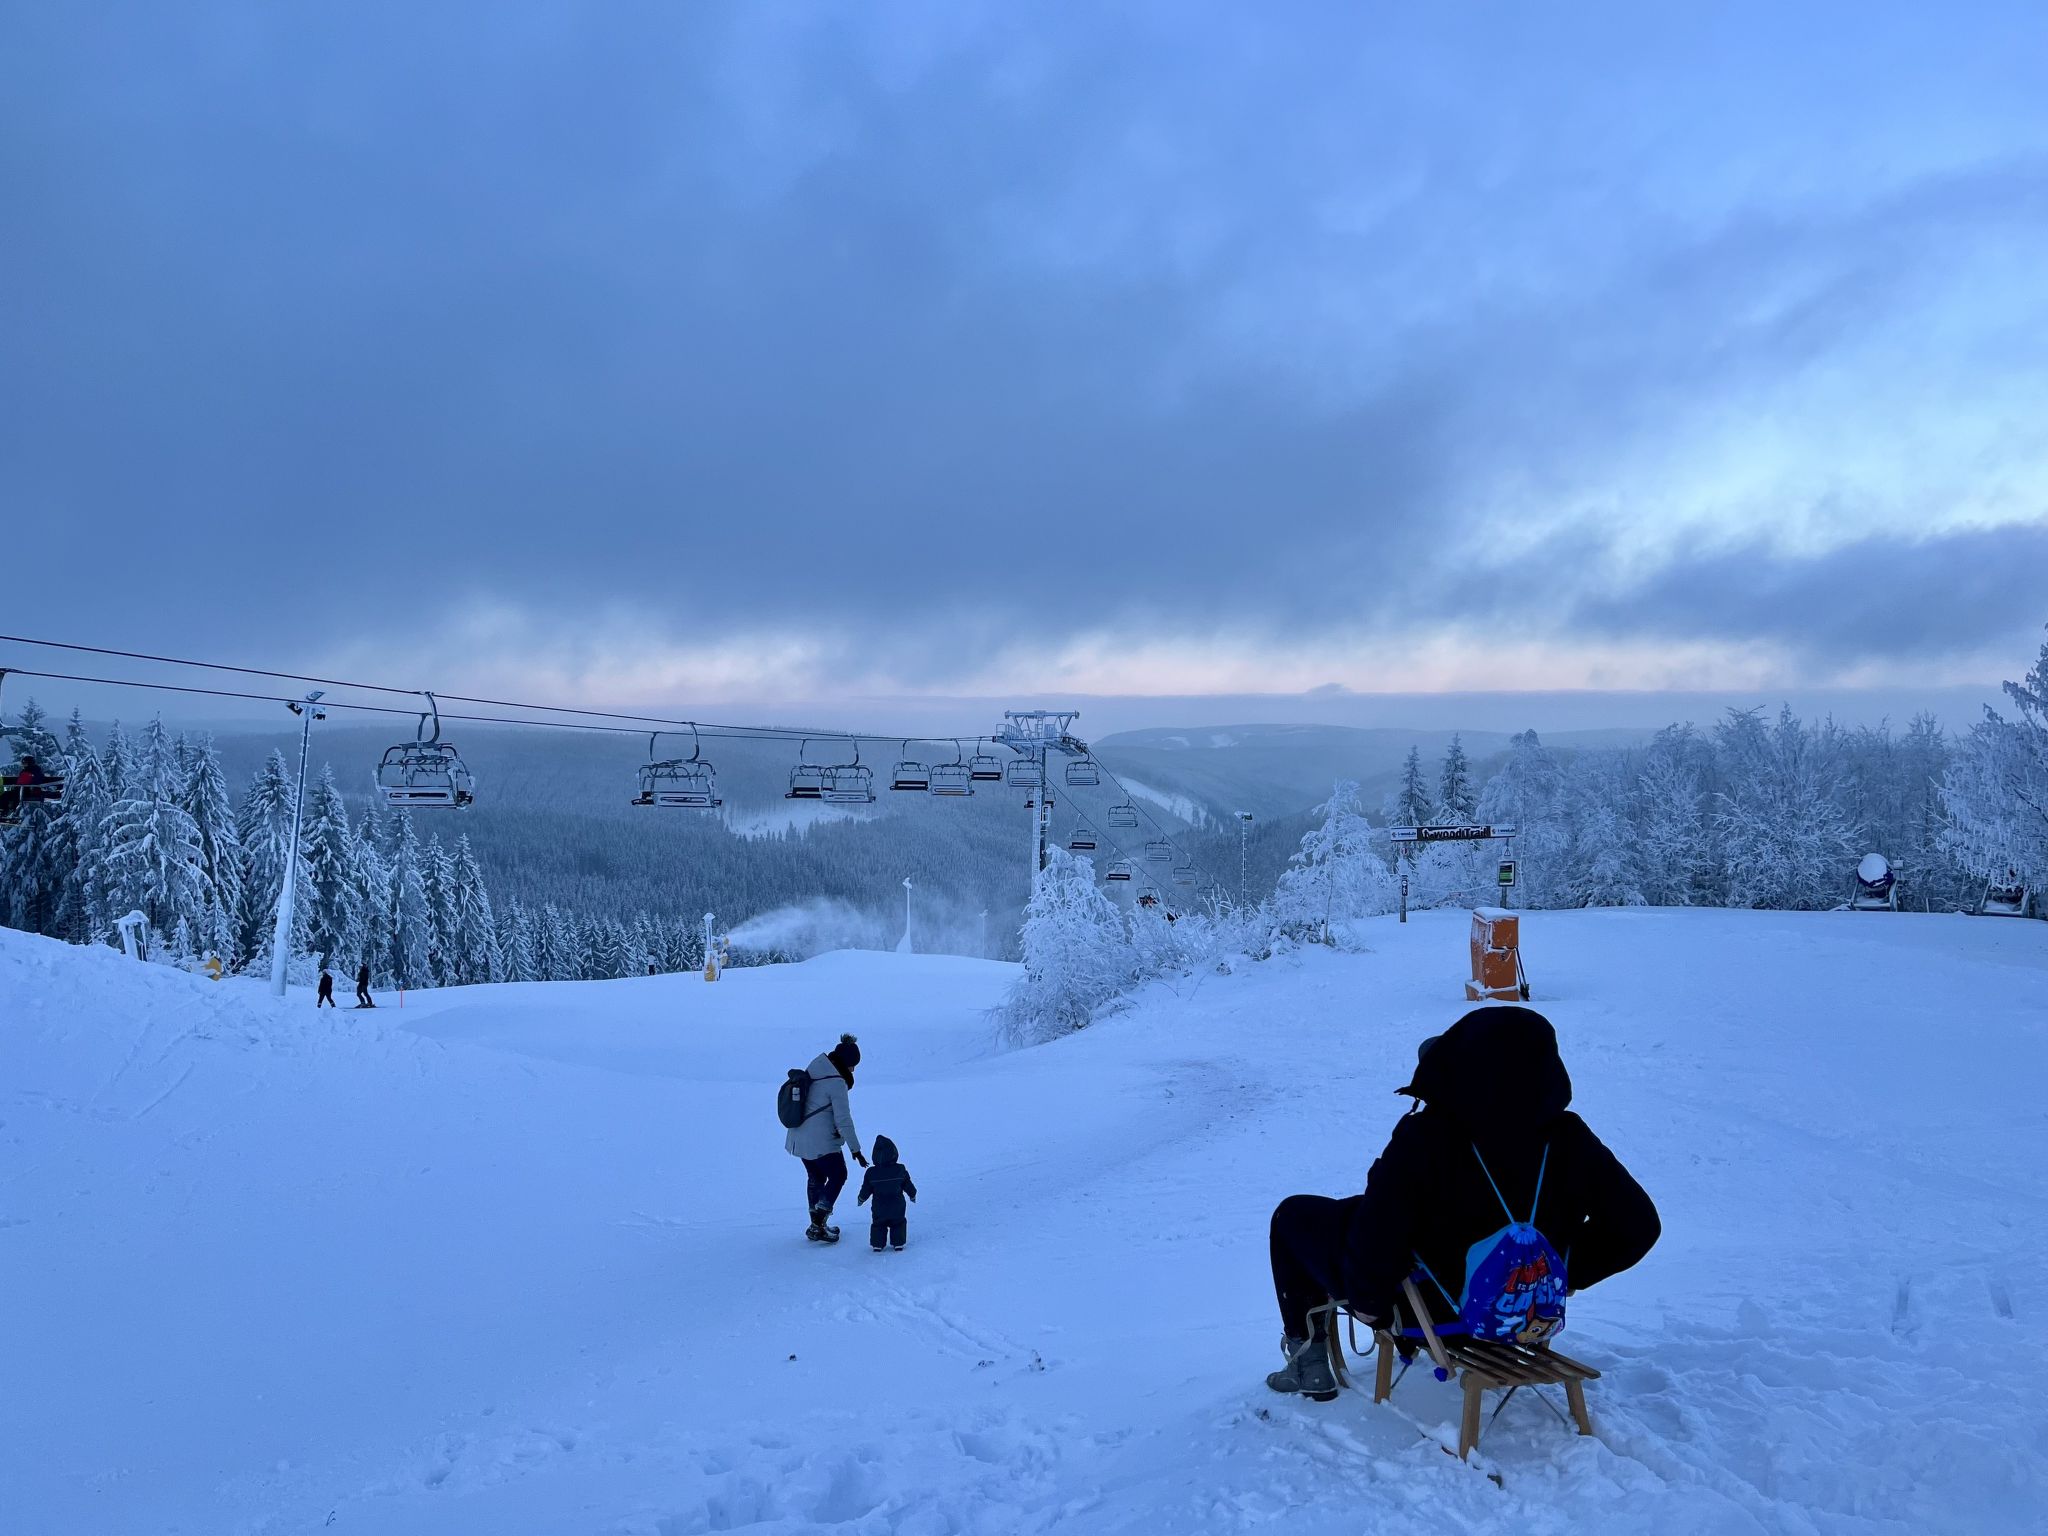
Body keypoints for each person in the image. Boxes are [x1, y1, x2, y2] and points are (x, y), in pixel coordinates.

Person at [1265, 1005, 1660, 1402]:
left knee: (1293, 1215)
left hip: (1434, 1311)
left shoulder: (1427, 1136)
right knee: (1367, 1216)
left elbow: (1380, 1234)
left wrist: (1371, 1306)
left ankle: (1307, 1360)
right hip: (1523, 1312)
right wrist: (1560, 1270)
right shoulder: (1569, 1137)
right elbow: (1638, 1225)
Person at [784, 1033, 865, 1243]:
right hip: (820, 1141)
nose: (853, 1070)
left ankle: (816, 1225)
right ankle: (818, 1223)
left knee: (816, 1177)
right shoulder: (836, 1082)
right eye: (853, 1065)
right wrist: (855, 1149)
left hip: (798, 1137)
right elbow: (843, 1120)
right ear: (846, 1063)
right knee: (839, 1175)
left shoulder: (816, 1067)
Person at [857, 1134, 918, 1252]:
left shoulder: (871, 1172)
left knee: (879, 1224)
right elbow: (907, 1184)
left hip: (879, 1206)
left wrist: (861, 1198)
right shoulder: (900, 1169)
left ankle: (877, 1244)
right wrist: (912, 1194)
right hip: (897, 1204)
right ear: (894, 1153)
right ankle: (898, 1243)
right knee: (898, 1222)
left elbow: (866, 1188)